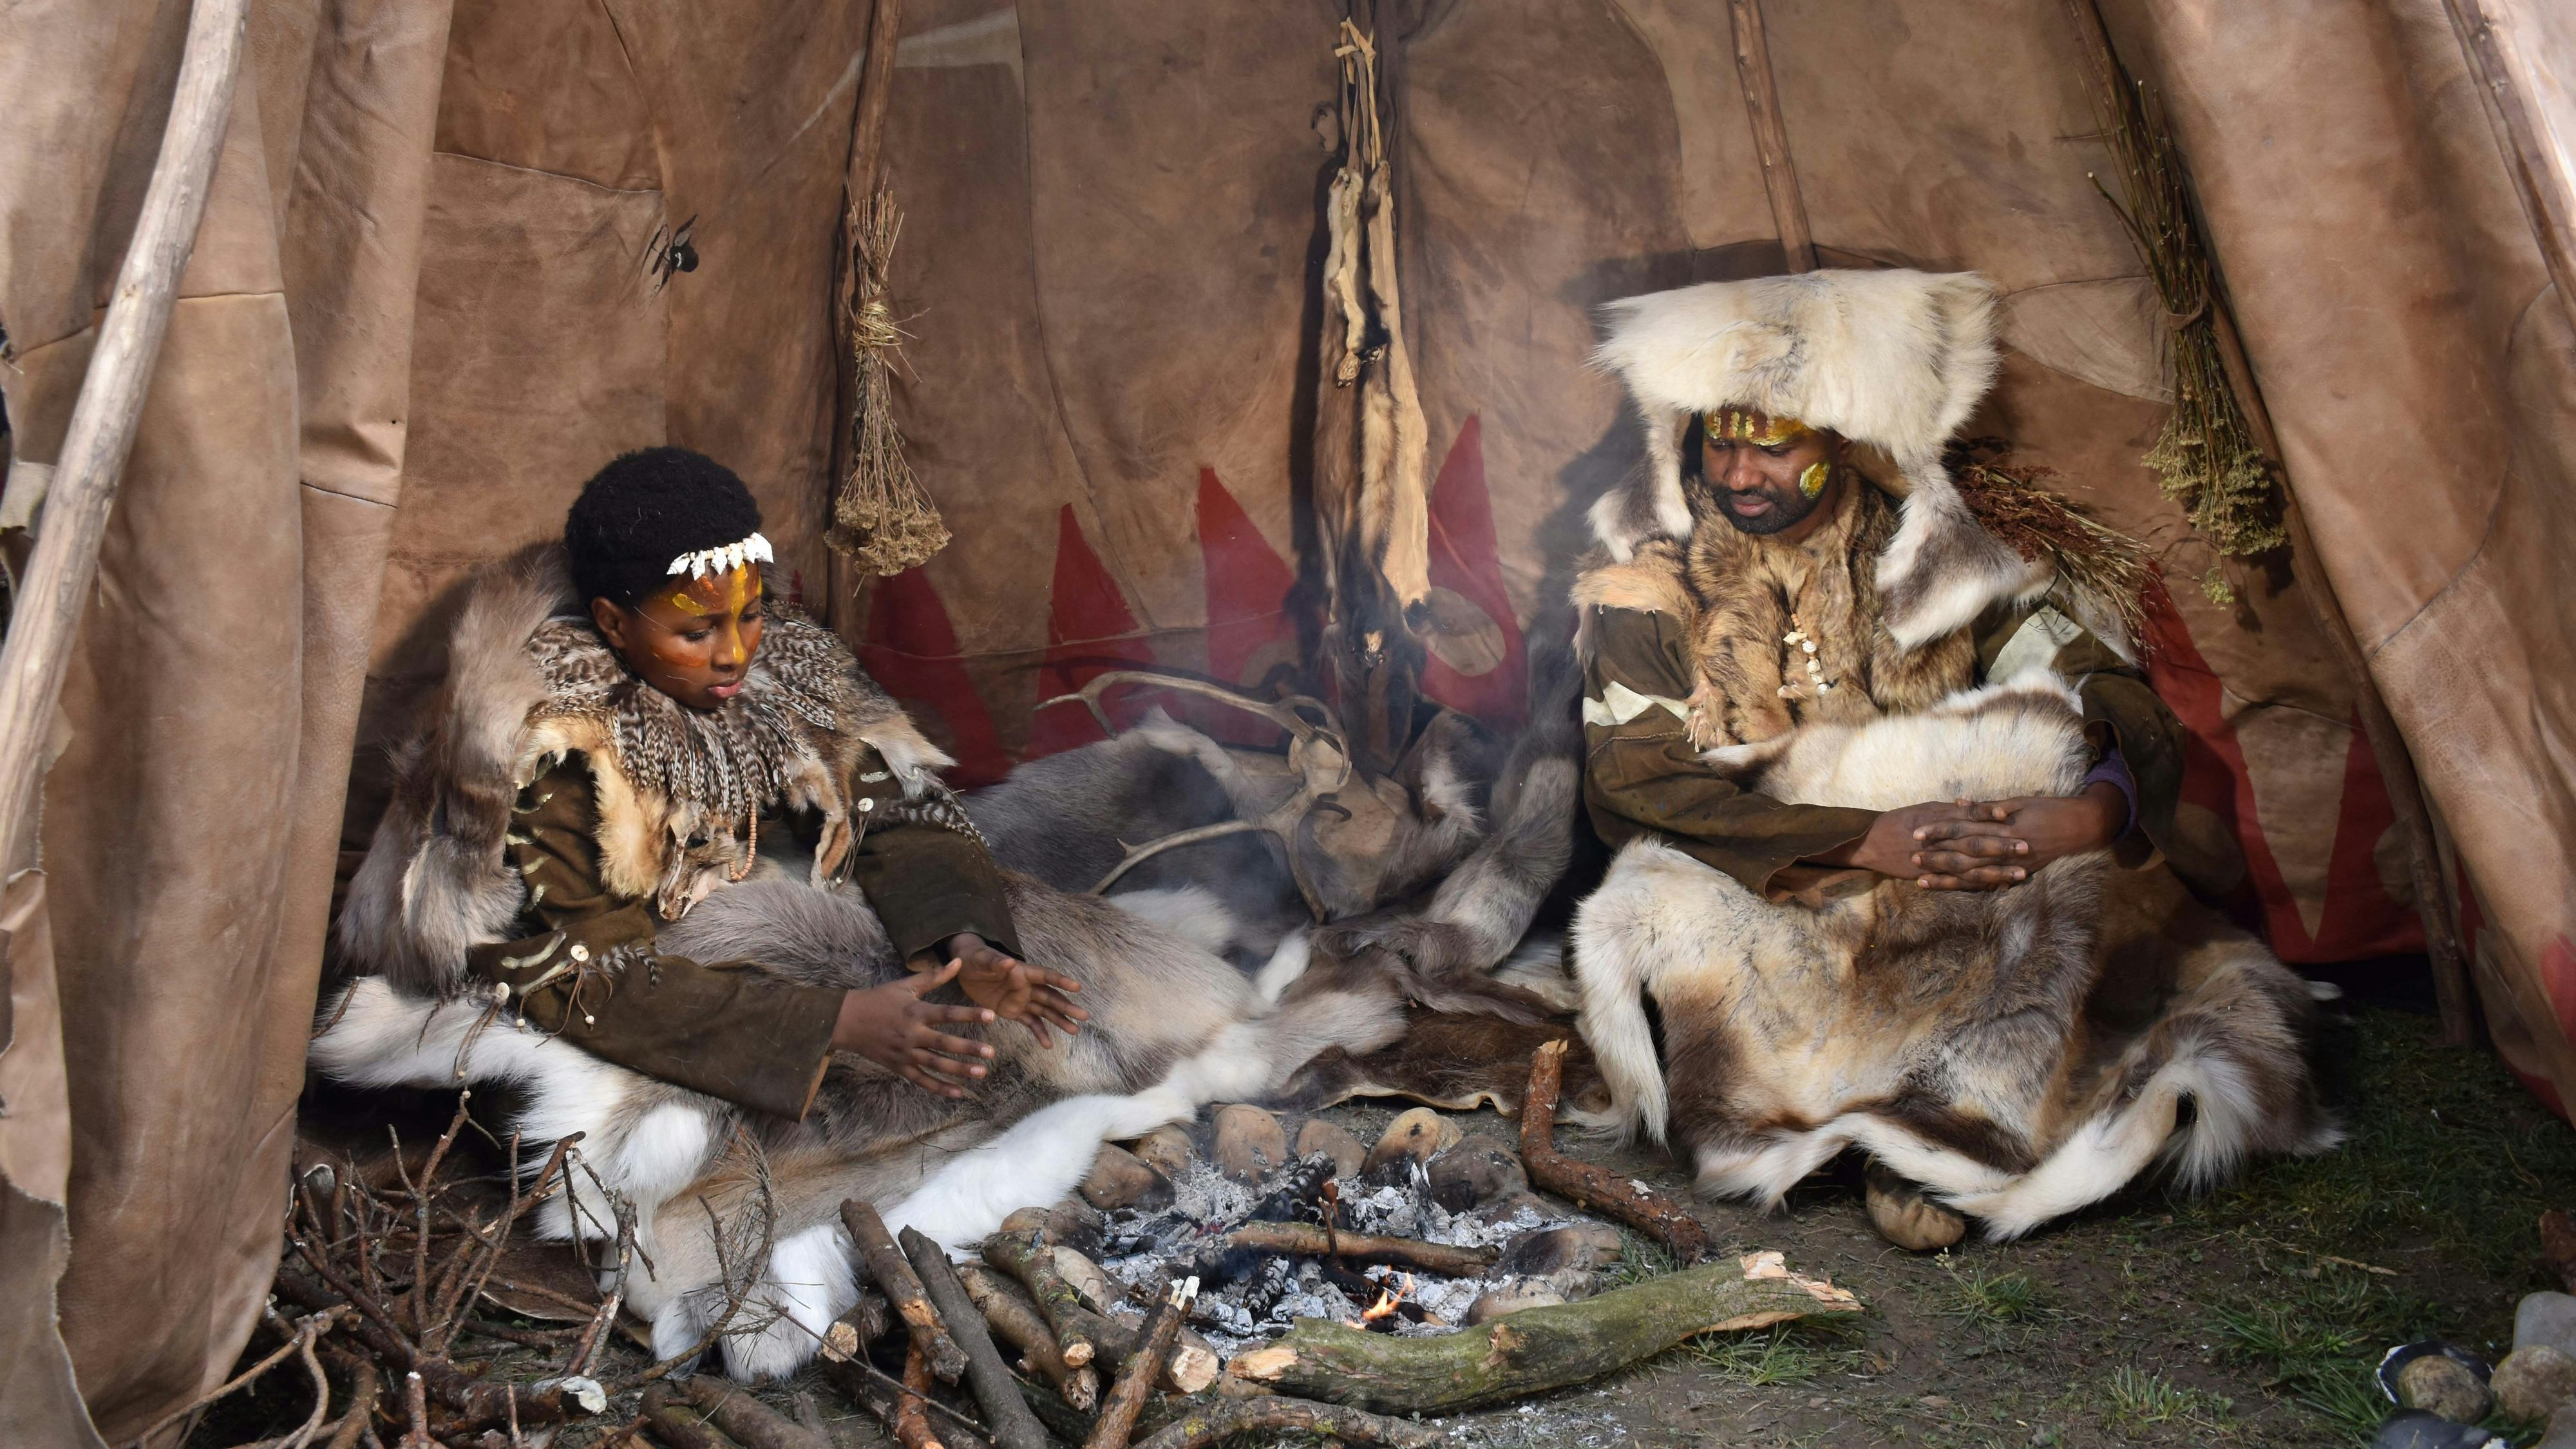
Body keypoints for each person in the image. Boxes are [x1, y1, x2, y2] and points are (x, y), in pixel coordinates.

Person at [1572, 269, 2325, 1248]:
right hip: (1767, 873)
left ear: (1840, 439)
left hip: (1944, 875)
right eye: (1721, 440)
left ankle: (1945, 1125)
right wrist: (1858, 838)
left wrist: (2094, 810)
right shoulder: (1648, 583)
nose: (1739, 473)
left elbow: (2105, 689)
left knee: (2062, 861)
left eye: (1775, 445)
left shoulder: (1940, 562)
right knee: (1667, 911)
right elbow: (1635, 780)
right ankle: (1831, 1120)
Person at [350, 448, 1085, 1118]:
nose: (735, 653)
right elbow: (582, 979)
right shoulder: (555, 747)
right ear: (613, 624)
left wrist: (966, 943)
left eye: (751, 615)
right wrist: (833, 1024)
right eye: (696, 633)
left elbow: (893, 809)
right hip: (566, 973)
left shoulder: (781, 669)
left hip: (702, 926)